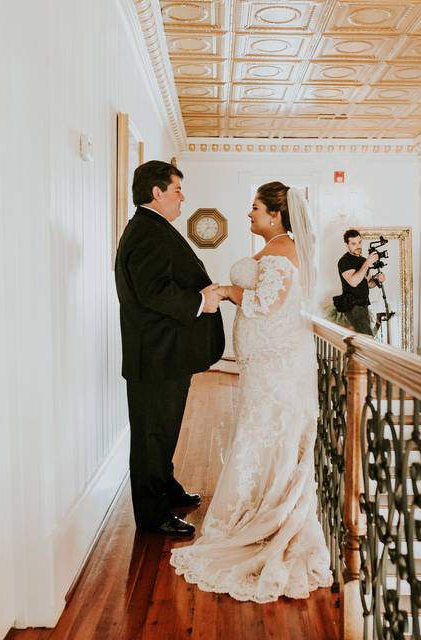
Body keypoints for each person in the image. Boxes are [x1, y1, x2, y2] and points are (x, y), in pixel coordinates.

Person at [170, 182, 333, 603]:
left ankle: (264, 511)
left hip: (274, 366)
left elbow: (265, 303)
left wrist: (226, 292)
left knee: (264, 430)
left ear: (276, 215)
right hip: (266, 362)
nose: (250, 215)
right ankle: (259, 499)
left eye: (255, 208)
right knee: (260, 429)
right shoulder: (278, 246)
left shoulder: (281, 251)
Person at [114, 160, 225, 536]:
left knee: (163, 429)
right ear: (157, 192)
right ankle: (152, 514)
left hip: (164, 354)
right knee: (151, 435)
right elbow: (153, 292)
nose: (183, 197)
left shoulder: (152, 227)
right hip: (155, 357)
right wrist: (200, 301)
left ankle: (167, 487)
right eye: (178, 190)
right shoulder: (147, 231)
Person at [336, 229, 385, 335]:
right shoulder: (344, 261)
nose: (358, 246)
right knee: (367, 340)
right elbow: (354, 282)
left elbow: (368, 284)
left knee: (361, 340)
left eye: (359, 242)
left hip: (364, 305)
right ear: (346, 245)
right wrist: (368, 262)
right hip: (352, 307)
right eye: (353, 243)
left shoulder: (363, 260)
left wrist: (377, 280)